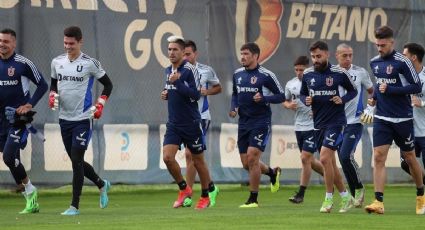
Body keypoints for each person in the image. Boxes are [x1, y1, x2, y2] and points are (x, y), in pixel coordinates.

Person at [50, 26, 113, 215]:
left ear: (80, 42)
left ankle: (74, 206)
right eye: (65, 43)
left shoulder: (89, 63)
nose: (68, 46)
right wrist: (52, 94)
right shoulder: (57, 62)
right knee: (76, 160)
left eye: (72, 43)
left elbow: (108, 85)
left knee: (76, 160)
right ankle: (102, 184)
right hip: (64, 118)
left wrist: (100, 103)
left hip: (83, 119)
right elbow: (53, 82)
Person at [365, 26, 425, 215]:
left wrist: (391, 90)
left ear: (392, 42)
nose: (380, 48)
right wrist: (372, 101)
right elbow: (379, 83)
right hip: (382, 117)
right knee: (378, 156)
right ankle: (378, 201)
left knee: (409, 158)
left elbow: (416, 86)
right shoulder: (374, 62)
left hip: (403, 118)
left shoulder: (403, 62)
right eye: (377, 45)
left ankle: (421, 194)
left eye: (383, 45)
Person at [300, 40, 357, 213]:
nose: (315, 60)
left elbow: (353, 91)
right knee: (330, 163)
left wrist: (343, 99)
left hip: (336, 122)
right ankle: (346, 197)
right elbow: (303, 94)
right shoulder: (308, 74)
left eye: (318, 56)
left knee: (324, 158)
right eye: (313, 57)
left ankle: (328, 199)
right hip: (318, 124)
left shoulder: (339, 72)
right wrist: (306, 100)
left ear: (327, 54)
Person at [160, 35, 214, 210]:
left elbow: (196, 95)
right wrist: (166, 93)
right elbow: (171, 89)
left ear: (183, 52)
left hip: (191, 123)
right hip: (174, 123)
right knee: (168, 157)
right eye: (169, 49)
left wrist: (179, 84)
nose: (171, 52)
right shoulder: (168, 70)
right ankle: (184, 189)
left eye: (175, 49)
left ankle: (205, 195)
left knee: (198, 161)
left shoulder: (191, 70)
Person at [229, 42, 284, 208]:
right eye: (242, 53)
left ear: (255, 56)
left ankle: (253, 199)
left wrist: (265, 98)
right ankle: (272, 172)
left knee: (253, 157)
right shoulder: (237, 74)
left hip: (261, 121)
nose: (243, 57)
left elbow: (281, 96)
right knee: (247, 163)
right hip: (243, 123)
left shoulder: (266, 75)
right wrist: (234, 107)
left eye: (246, 54)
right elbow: (235, 94)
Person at [0, 28, 47, 214]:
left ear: (14, 44)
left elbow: (43, 85)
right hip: (0, 119)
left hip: (17, 119)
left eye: (6, 41)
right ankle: (30, 199)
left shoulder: (23, 63)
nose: (2, 44)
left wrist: (29, 104)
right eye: (0, 40)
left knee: (8, 157)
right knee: (12, 159)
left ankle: (30, 189)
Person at [182, 40, 221, 207]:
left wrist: (207, 91)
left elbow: (218, 87)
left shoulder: (206, 70)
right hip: (184, 118)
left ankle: (189, 193)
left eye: (188, 54)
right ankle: (210, 187)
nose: (185, 57)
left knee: (191, 154)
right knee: (192, 157)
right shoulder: (177, 71)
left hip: (201, 117)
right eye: (183, 54)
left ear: (195, 54)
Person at [335, 43, 374, 208]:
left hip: (355, 122)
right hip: (336, 123)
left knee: (345, 156)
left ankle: (358, 188)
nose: (348, 58)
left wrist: (370, 109)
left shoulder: (360, 72)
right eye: (344, 55)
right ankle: (352, 195)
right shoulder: (332, 74)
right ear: (336, 56)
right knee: (343, 160)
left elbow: (373, 91)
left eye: (350, 55)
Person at [283, 56, 323, 204]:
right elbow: (284, 100)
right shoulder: (291, 84)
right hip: (299, 126)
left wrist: (318, 109)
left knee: (305, 158)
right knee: (310, 161)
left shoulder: (316, 81)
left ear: (308, 68)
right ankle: (333, 177)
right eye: (297, 70)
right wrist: (288, 105)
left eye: (302, 69)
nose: (299, 72)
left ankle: (300, 194)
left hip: (314, 126)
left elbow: (326, 97)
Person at [399, 43, 425, 184]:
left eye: (405, 55)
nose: (402, 57)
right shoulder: (402, 76)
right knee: (405, 162)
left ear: (413, 57)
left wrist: (422, 103)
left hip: (424, 132)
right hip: (409, 131)